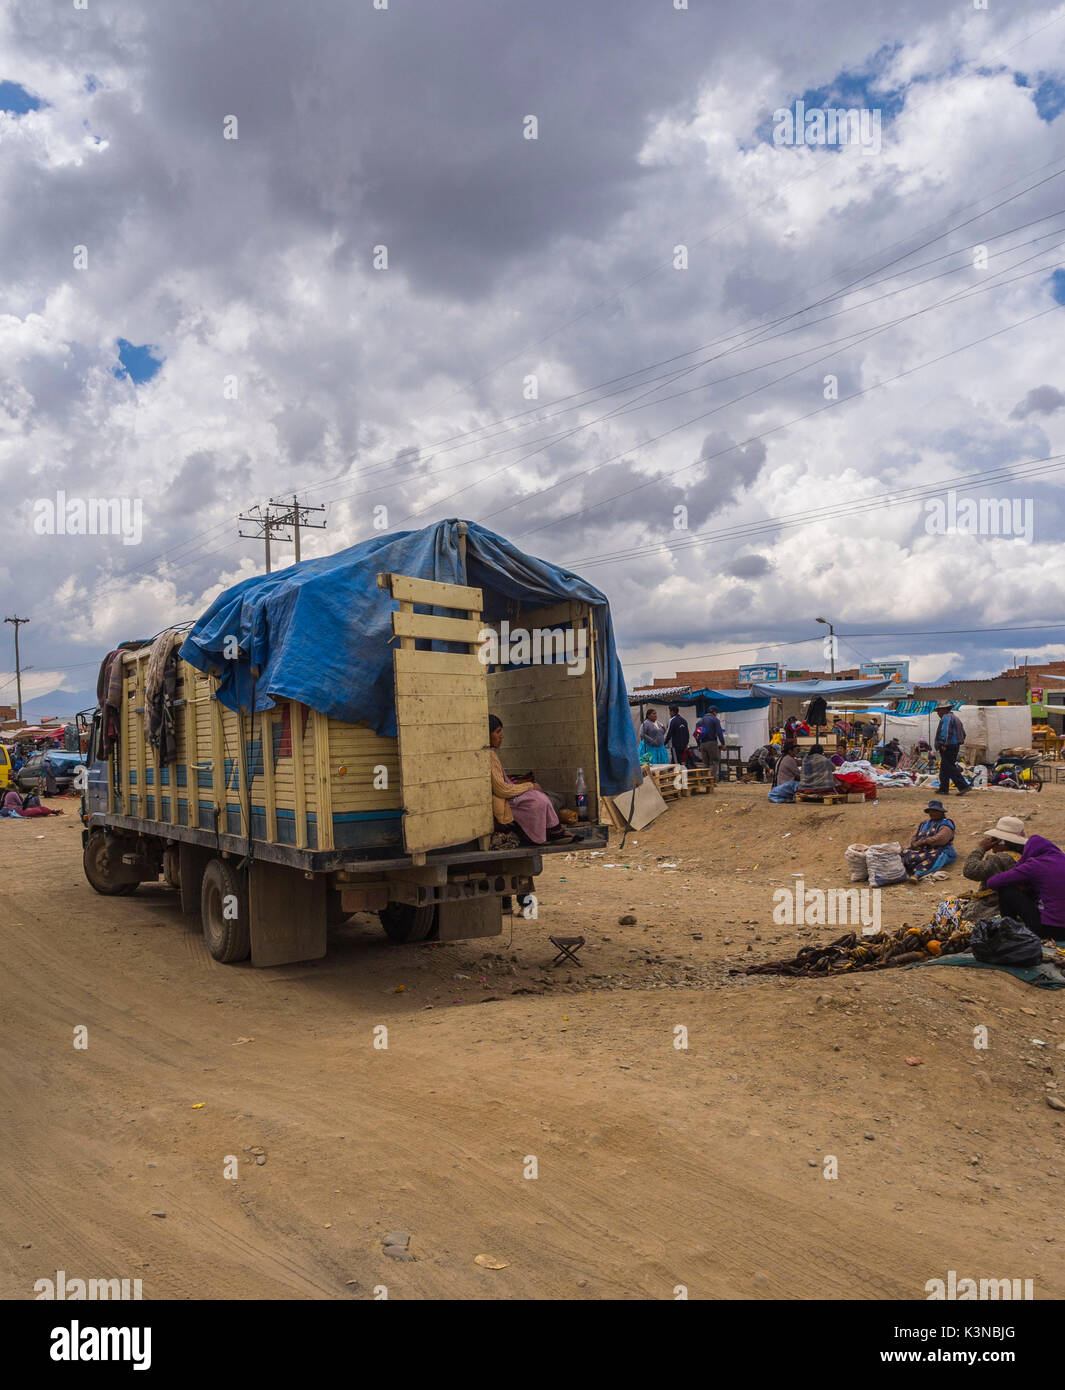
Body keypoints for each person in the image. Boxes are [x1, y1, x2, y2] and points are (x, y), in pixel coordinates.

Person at [488, 715, 573, 845]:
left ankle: (552, 831)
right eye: (498, 732)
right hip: (503, 801)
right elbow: (502, 789)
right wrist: (530, 786)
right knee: (539, 800)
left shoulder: (491, 754)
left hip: (506, 796)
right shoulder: (489, 756)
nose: (502, 736)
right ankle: (546, 833)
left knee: (547, 797)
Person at [986, 825, 1065, 941]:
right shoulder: (1061, 859)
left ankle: (1008, 932)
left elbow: (992, 882)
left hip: (1051, 930)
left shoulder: (1035, 865)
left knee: (1006, 890)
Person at [957, 817, 1034, 930]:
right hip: (1023, 908)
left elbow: (970, 870)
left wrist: (980, 848)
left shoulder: (999, 859)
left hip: (994, 908)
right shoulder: (1027, 856)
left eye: (994, 839)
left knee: (949, 906)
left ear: (1001, 842)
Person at [901, 799, 956, 878]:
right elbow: (914, 835)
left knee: (935, 857)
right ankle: (902, 871)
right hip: (923, 849)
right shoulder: (924, 823)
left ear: (941, 812)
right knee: (903, 851)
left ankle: (917, 874)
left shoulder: (946, 824)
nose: (932, 813)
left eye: (935, 811)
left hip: (941, 849)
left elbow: (941, 839)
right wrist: (914, 843)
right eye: (930, 811)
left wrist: (923, 842)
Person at [934, 702, 969, 796]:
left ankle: (963, 786)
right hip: (954, 745)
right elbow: (963, 734)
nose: (938, 713)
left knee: (949, 766)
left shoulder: (947, 718)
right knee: (944, 768)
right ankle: (943, 788)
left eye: (939, 711)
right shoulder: (956, 718)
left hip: (947, 746)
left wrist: (943, 743)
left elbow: (945, 732)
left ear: (944, 709)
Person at [697, 707, 726, 774]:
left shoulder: (700, 721)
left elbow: (697, 735)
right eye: (716, 713)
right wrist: (723, 744)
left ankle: (705, 779)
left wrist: (699, 745)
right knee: (714, 761)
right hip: (711, 743)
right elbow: (719, 732)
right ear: (714, 712)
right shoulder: (715, 720)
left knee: (705, 763)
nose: (716, 714)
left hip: (702, 744)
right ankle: (712, 780)